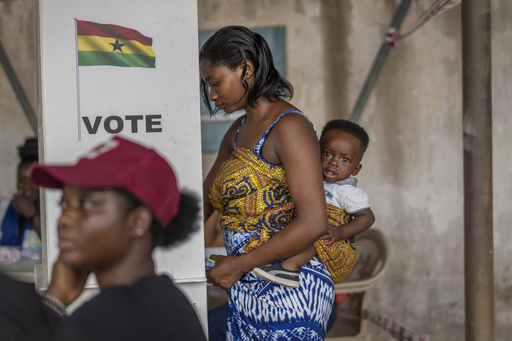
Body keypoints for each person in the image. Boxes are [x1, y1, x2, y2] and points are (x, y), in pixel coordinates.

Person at [0, 136, 206, 341]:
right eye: (64, 205)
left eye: (88, 205)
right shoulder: (163, 298)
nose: (65, 219)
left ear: (138, 222)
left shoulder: (108, 319)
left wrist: (55, 300)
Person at [200, 26, 333, 340]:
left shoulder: (289, 127)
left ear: (246, 68)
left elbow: (314, 222)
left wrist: (240, 264)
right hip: (246, 289)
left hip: (290, 290)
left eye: (215, 82)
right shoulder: (236, 131)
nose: (212, 95)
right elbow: (202, 203)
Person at [254, 119, 376, 287]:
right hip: (308, 234)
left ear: (355, 169)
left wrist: (340, 232)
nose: (333, 162)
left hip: (336, 247)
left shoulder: (349, 192)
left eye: (345, 160)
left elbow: (367, 217)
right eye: (327, 154)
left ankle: (290, 267)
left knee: (317, 228)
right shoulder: (311, 180)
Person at [0, 137, 42, 260]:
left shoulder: (53, 210)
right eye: (21, 180)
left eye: (33, 180)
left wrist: (31, 215)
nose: (26, 186)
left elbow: (55, 248)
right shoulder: (4, 207)